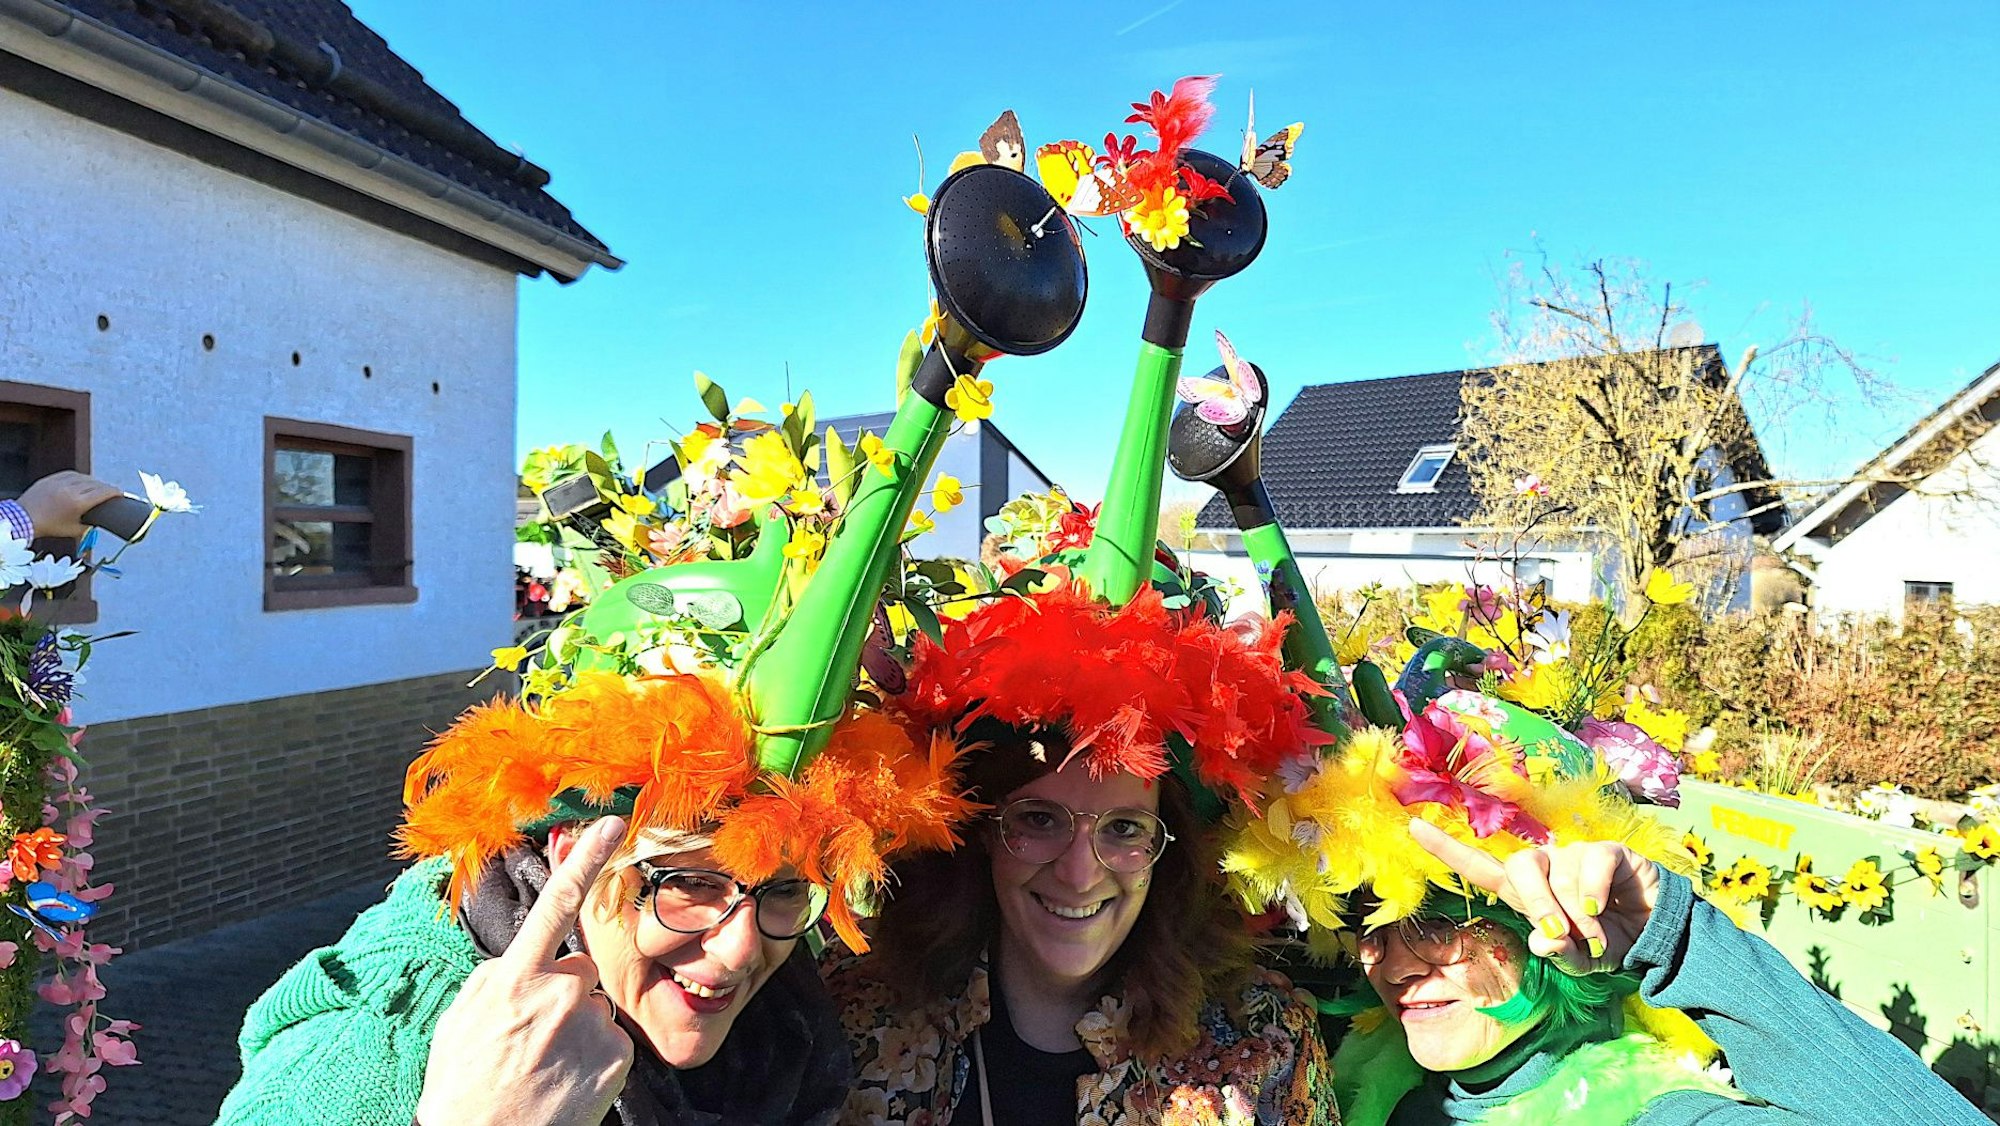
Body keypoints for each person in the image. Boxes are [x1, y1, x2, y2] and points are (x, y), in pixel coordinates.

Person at [215, 386, 976, 1124]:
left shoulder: (783, 1037)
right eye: (691, 883)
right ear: (575, 844)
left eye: (784, 888)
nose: (742, 947)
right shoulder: (390, 1035)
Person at [1223, 686, 1987, 1125]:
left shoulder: (1650, 1114)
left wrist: (1673, 934)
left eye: (1432, 918)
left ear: (1547, 915)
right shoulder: (1351, 1079)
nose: (1389, 960)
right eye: (1367, 921)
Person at [825, 579, 1338, 1125]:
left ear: (1166, 849)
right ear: (980, 830)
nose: (1078, 873)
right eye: (1039, 820)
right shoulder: (854, 1011)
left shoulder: (1263, 1041)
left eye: (1124, 828)